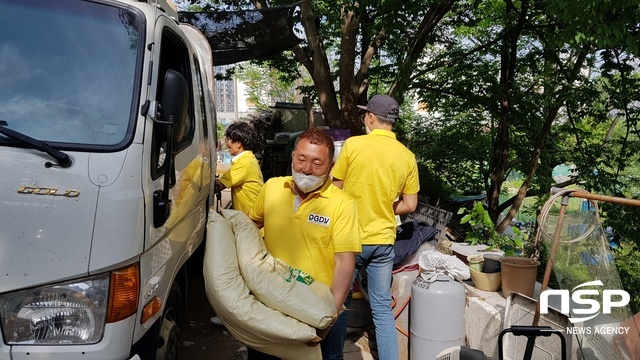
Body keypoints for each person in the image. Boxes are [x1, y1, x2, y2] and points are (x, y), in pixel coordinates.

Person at [248, 127, 361, 360]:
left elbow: (344, 263)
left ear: (330, 166)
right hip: (270, 303)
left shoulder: (342, 204)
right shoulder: (271, 188)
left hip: (317, 307)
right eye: (301, 159)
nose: (307, 169)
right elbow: (251, 225)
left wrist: (329, 318)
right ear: (292, 157)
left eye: (317, 163)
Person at [331, 94, 419, 360]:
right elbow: (410, 205)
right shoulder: (406, 156)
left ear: (370, 117)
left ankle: (331, 356)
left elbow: (336, 189)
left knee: (339, 304)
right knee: (381, 308)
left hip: (350, 241)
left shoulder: (353, 146)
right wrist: (385, 206)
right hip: (383, 243)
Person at [215, 121, 264, 214]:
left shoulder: (244, 163)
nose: (227, 143)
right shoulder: (248, 159)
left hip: (250, 218)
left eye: (228, 139)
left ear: (238, 143)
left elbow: (218, 186)